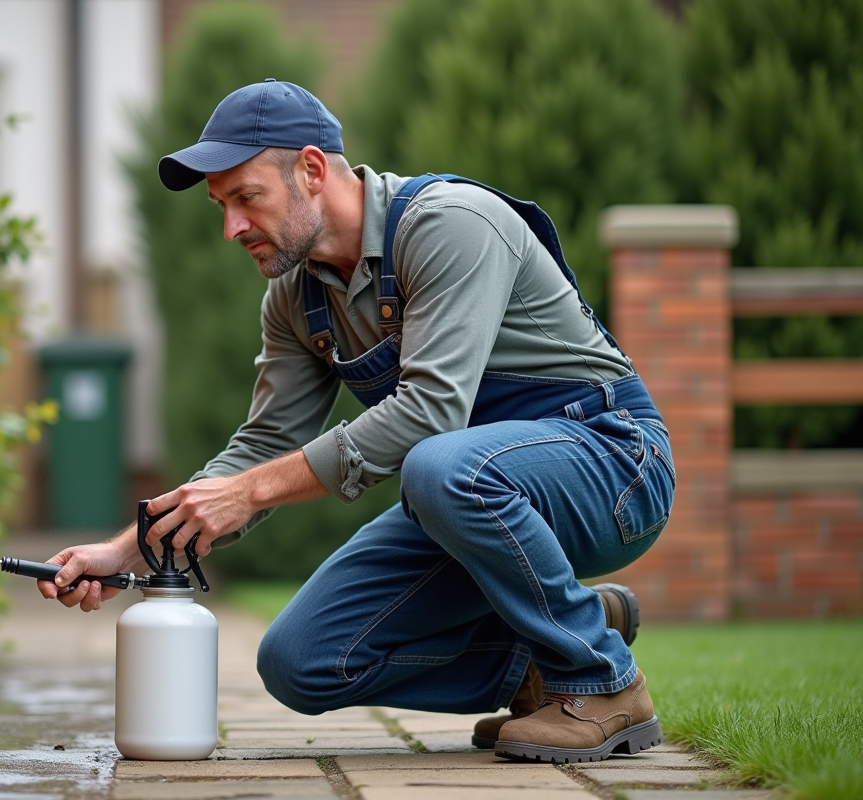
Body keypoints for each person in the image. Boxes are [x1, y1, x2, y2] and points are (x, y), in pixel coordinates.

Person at [38, 79, 675, 763]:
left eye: (247, 197)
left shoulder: (449, 223)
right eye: (220, 206)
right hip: (471, 490)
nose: (231, 228)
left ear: (312, 171)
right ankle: (541, 655)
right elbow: (263, 444)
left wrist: (251, 491)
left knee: (436, 464)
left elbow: (431, 414)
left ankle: (603, 682)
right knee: (300, 661)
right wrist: (129, 550)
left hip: (612, 464)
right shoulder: (295, 298)